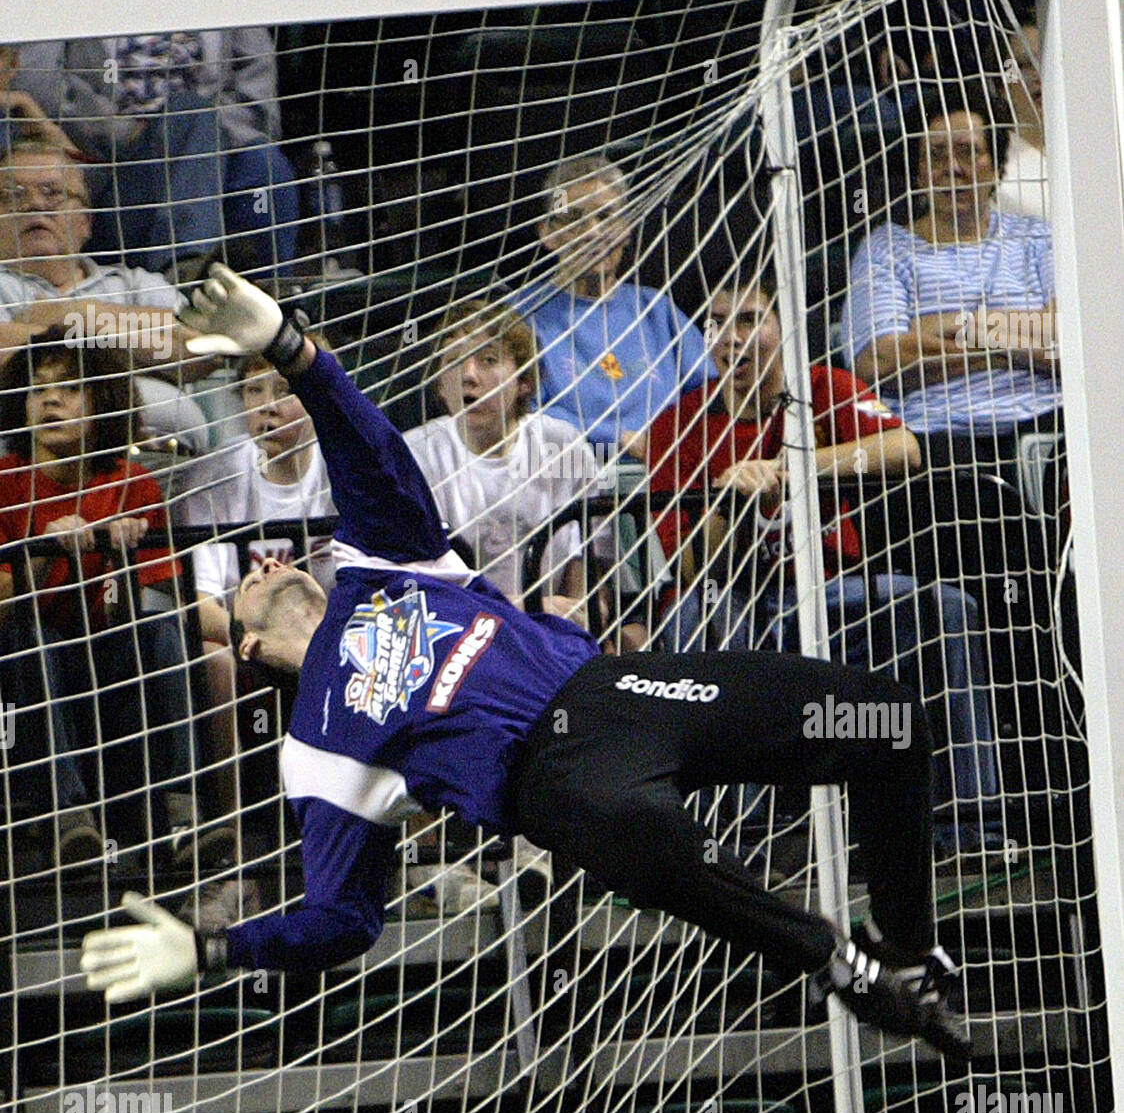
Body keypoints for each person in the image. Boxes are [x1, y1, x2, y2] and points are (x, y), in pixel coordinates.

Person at [81, 266, 971, 1063]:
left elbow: (369, 454)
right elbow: (341, 919)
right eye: (248, 582)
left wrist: (294, 352)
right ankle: (833, 962)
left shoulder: (375, 566)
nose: (269, 565)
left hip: (622, 693)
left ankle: (909, 954)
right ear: (244, 645)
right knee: (648, 842)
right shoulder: (315, 748)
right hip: (556, 778)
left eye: (275, 558)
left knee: (882, 721)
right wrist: (216, 950)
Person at [648, 273, 1002, 855]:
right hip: (738, 600)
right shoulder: (677, 423)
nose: (731, 338)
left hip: (837, 592)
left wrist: (796, 468)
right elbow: (693, 570)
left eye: (749, 319)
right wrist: (728, 499)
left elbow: (904, 448)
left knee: (945, 608)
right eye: (716, 323)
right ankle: (739, 843)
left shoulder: (824, 388)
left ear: (783, 327)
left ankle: (968, 823)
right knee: (694, 620)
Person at [840, 81, 1064, 769]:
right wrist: (1009, 333)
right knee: (1011, 583)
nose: (954, 168)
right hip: (937, 453)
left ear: (995, 166)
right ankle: (1016, 782)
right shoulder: (887, 250)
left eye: (968, 152)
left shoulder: (1038, 239)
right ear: (916, 169)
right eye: (937, 155)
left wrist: (953, 329)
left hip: (1047, 435)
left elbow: (1069, 342)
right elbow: (880, 359)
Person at [13, 0, 297, 274]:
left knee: (254, 157)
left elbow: (254, 75)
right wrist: (120, 132)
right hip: (104, 163)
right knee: (187, 115)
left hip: (210, 151)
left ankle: (274, 305)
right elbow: (38, 87)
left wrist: (209, 142)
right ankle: (182, 273)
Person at [0, 330, 231, 867]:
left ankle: (182, 813)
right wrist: (40, 553)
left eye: (69, 388)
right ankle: (69, 819)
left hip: (107, 651)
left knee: (162, 629)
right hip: (27, 657)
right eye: (38, 391)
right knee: (35, 639)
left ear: (102, 402)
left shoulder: (134, 484)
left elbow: (140, 606)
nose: (50, 401)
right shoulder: (4, 484)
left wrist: (120, 558)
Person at [175, 337, 334, 819]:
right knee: (211, 658)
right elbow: (200, 602)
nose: (267, 406)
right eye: (252, 391)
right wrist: (258, 640)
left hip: (328, 636)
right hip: (243, 641)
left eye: (283, 388)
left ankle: (421, 853)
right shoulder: (213, 477)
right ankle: (231, 841)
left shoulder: (341, 471)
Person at [0, 141, 208, 451]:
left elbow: (199, 347)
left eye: (52, 193)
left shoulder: (135, 283)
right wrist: (132, 344)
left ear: (86, 221)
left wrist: (77, 316)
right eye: (14, 195)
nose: (34, 205)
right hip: (27, 466)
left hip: (165, 460)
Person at [509, 155, 713, 460]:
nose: (592, 232)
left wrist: (670, 444)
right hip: (568, 479)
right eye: (574, 219)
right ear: (547, 234)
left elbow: (712, 395)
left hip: (668, 480)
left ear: (626, 229)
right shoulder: (519, 316)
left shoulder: (657, 311)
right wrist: (617, 438)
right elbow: (517, 414)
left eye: (605, 217)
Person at [404, 299, 600, 614]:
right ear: (440, 385)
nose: (469, 376)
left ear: (523, 381)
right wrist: (524, 608)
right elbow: (415, 593)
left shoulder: (564, 447)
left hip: (546, 632)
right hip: (453, 631)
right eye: (454, 362)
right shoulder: (414, 455)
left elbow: (589, 585)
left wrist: (578, 620)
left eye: (489, 360)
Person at [995, 17, 1048, 221]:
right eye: (1025, 64)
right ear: (1003, 85)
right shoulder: (995, 164)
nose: (1037, 74)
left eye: (1045, 59)